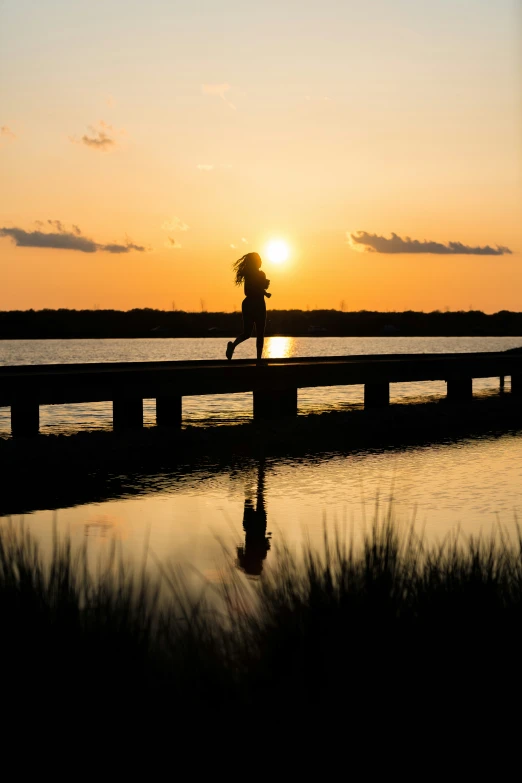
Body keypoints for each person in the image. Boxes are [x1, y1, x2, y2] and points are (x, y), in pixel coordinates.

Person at [226, 252, 271, 361]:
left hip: (249, 304)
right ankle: (258, 361)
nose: (261, 261)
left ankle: (233, 346)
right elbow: (250, 291)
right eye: (259, 260)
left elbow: (256, 288)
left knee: (249, 333)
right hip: (256, 305)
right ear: (255, 262)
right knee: (255, 334)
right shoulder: (256, 275)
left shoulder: (252, 275)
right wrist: (264, 292)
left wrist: (264, 289)